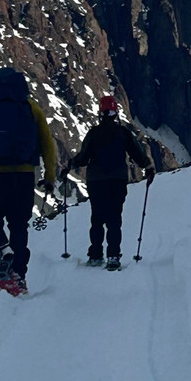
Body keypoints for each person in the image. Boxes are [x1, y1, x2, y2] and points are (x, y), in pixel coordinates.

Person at [0, 67, 57, 295]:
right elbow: (47, 144)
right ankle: (18, 276)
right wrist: (49, 176)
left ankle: (0, 247)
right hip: (24, 174)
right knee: (19, 225)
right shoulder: (31, 108)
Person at [63, 95, 154, 269]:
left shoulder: (94, 133)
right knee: (114, 218)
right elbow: (137, 153)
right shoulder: (123, 133)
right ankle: (113, 256)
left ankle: (96, 255)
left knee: (97, 218)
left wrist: (69, 165)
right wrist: (148, 167)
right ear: (115, 113)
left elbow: (83, 158)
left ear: (101, 113)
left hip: (96, 181)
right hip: (117, 180)